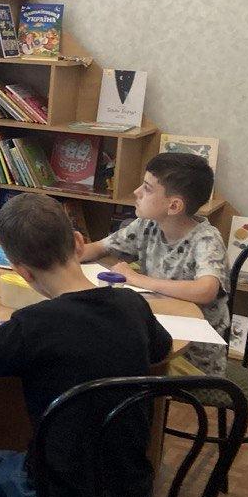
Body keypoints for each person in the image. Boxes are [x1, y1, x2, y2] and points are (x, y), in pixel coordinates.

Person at [0, 194, 172, 497]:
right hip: (132, 493)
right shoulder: (131, 304)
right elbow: (161, 350)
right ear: (79, 243)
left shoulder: (33, 324)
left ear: (22, 272)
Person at [80, 152, 228, 376]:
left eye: (147, 188)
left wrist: (138, 279)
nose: (136, 192)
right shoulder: (147, 225)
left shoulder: (207, 239)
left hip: (193, 360)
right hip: (157, 334)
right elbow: (100, 247)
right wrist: (62, 253)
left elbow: (206, 290)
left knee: (102, 365)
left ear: (174, 206)